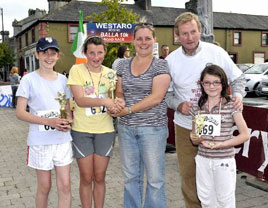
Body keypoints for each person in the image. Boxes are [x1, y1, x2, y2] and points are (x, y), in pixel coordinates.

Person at [165, 12, 246, 208]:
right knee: (189, 176)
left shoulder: (215, 52)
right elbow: (166, 95)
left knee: (218, 179)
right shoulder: (171, 60)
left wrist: (238, 96)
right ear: (177, 35)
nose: (189, 37)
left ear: (200, 31)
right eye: (184, 34)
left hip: (219, 124)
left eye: (193, 32)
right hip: (186, 126)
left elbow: (238, 78)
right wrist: (178, 105)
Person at [110, 22, 171, 208]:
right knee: (130, 178)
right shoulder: (122, 65)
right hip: (127, 129)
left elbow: (156, 97)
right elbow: (119, 92)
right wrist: (118, 102)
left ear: (154, 41)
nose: (143, 42)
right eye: (139, 38)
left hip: (153, 129)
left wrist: (127, 109)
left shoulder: (161, 65)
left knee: (154, 180)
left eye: (147, 38)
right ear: (133, 40)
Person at [16, 36, 73, 208]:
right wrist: (49, 121)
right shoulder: (28, 80)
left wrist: (68, 121)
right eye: (45, 52)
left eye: (53, 53)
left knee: (65, 185)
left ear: (58, 56)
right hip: (40, 141)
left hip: (62, 140)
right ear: (37, 55)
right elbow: (20, 112)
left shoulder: (64, 80)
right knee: (44, 186)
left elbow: (68, 110)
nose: (49, 57)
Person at [67, 36, 124, 208]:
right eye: (91, 53)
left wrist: (116, 106)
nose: (96, 57)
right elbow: (80, 100)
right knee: (86, 177)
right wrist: (104, 102)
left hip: (105, 131)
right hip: (81, 130)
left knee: (99, 177)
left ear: (105, 52)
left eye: (99, 52)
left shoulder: (111, 74)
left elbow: (117, 98)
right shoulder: (76, 70)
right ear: (85, 53)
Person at [190, 64, 249, 207]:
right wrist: (195, 138)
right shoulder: (197, 107)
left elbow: (245, 134)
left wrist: (223, 144)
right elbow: (194, 135)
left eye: (216, 82)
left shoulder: (231, 105)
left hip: (223, 160)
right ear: (201, 84)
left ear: (223, 83)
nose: (211, 86)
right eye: (207, 82)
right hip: (203, 159)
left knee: (225, 200)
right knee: (205, 198)